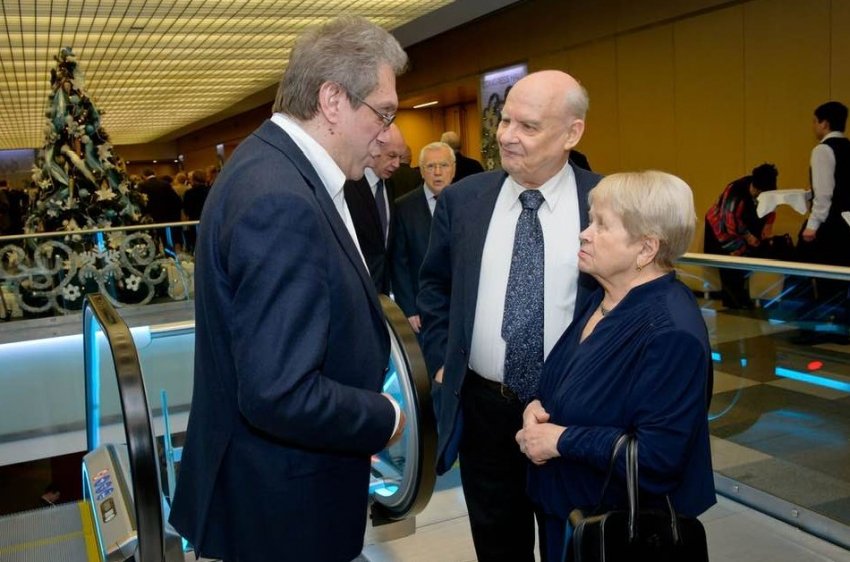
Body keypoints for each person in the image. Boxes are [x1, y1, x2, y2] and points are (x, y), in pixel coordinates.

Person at [168, 15, 408, 562]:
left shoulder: (269, 165)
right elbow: (280, 393)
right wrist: (386, 416)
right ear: (332, 100)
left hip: (274, 493)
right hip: (285, 508)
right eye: (383, 112)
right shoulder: (281, 200)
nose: (386, 134)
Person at [418, 70, 602, 562]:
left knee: (574, 543)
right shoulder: (463, 201)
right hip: (485, 412)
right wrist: (442, 363)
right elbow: (434, 288)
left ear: (572, 133)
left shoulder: (605, 203)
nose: (507, 136)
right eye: (504, 120)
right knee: (498, 544)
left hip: (572, 415)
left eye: (529, 126)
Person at [515, 171, 716, 561]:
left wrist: (559, 440)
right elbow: (569, 381)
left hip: (617, 534)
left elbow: (657, 458)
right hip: (570, 515)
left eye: (601, 225)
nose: (584, 233)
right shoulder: (605, 298)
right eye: (590, 220)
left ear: (646, 248)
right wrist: (535, 407)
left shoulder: (671, 333)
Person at [390, 141, 455, 335]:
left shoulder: (469, 204)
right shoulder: (403, 208)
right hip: (422, 310)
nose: (437, 172)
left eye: (443, 165)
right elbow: (399, 263)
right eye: (430, 166)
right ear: (421, 171)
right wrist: (408, 309)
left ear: (453, 169)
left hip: (460, 306)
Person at [798, 101, 850, 336]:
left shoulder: (822, 150)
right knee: (842, 277)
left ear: (824, 123)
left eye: (815, 121)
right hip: (847, 222)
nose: (814, 126)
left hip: (829, 224)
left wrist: (812, 226)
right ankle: (841, 327)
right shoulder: (848, 148)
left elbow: (824, 194)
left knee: (814, 275)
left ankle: (813, 328)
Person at [704, 163, 779, 309]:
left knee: (747, 257)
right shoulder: (734, 192)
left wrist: (768, 225)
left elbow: (771, 207)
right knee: (729, 262)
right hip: (720, 229)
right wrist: (749, 237)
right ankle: (733, 302)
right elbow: (730, 223)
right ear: (756, 188)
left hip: (742, 226)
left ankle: (742, 297)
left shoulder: (768, 189)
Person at [344, 123, 405, 294]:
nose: (397, 164)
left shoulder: (390, 185)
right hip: (356, 289)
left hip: (383, 290)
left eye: (400, 157)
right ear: (375, 148)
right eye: (391, 156)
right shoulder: (349, 186)